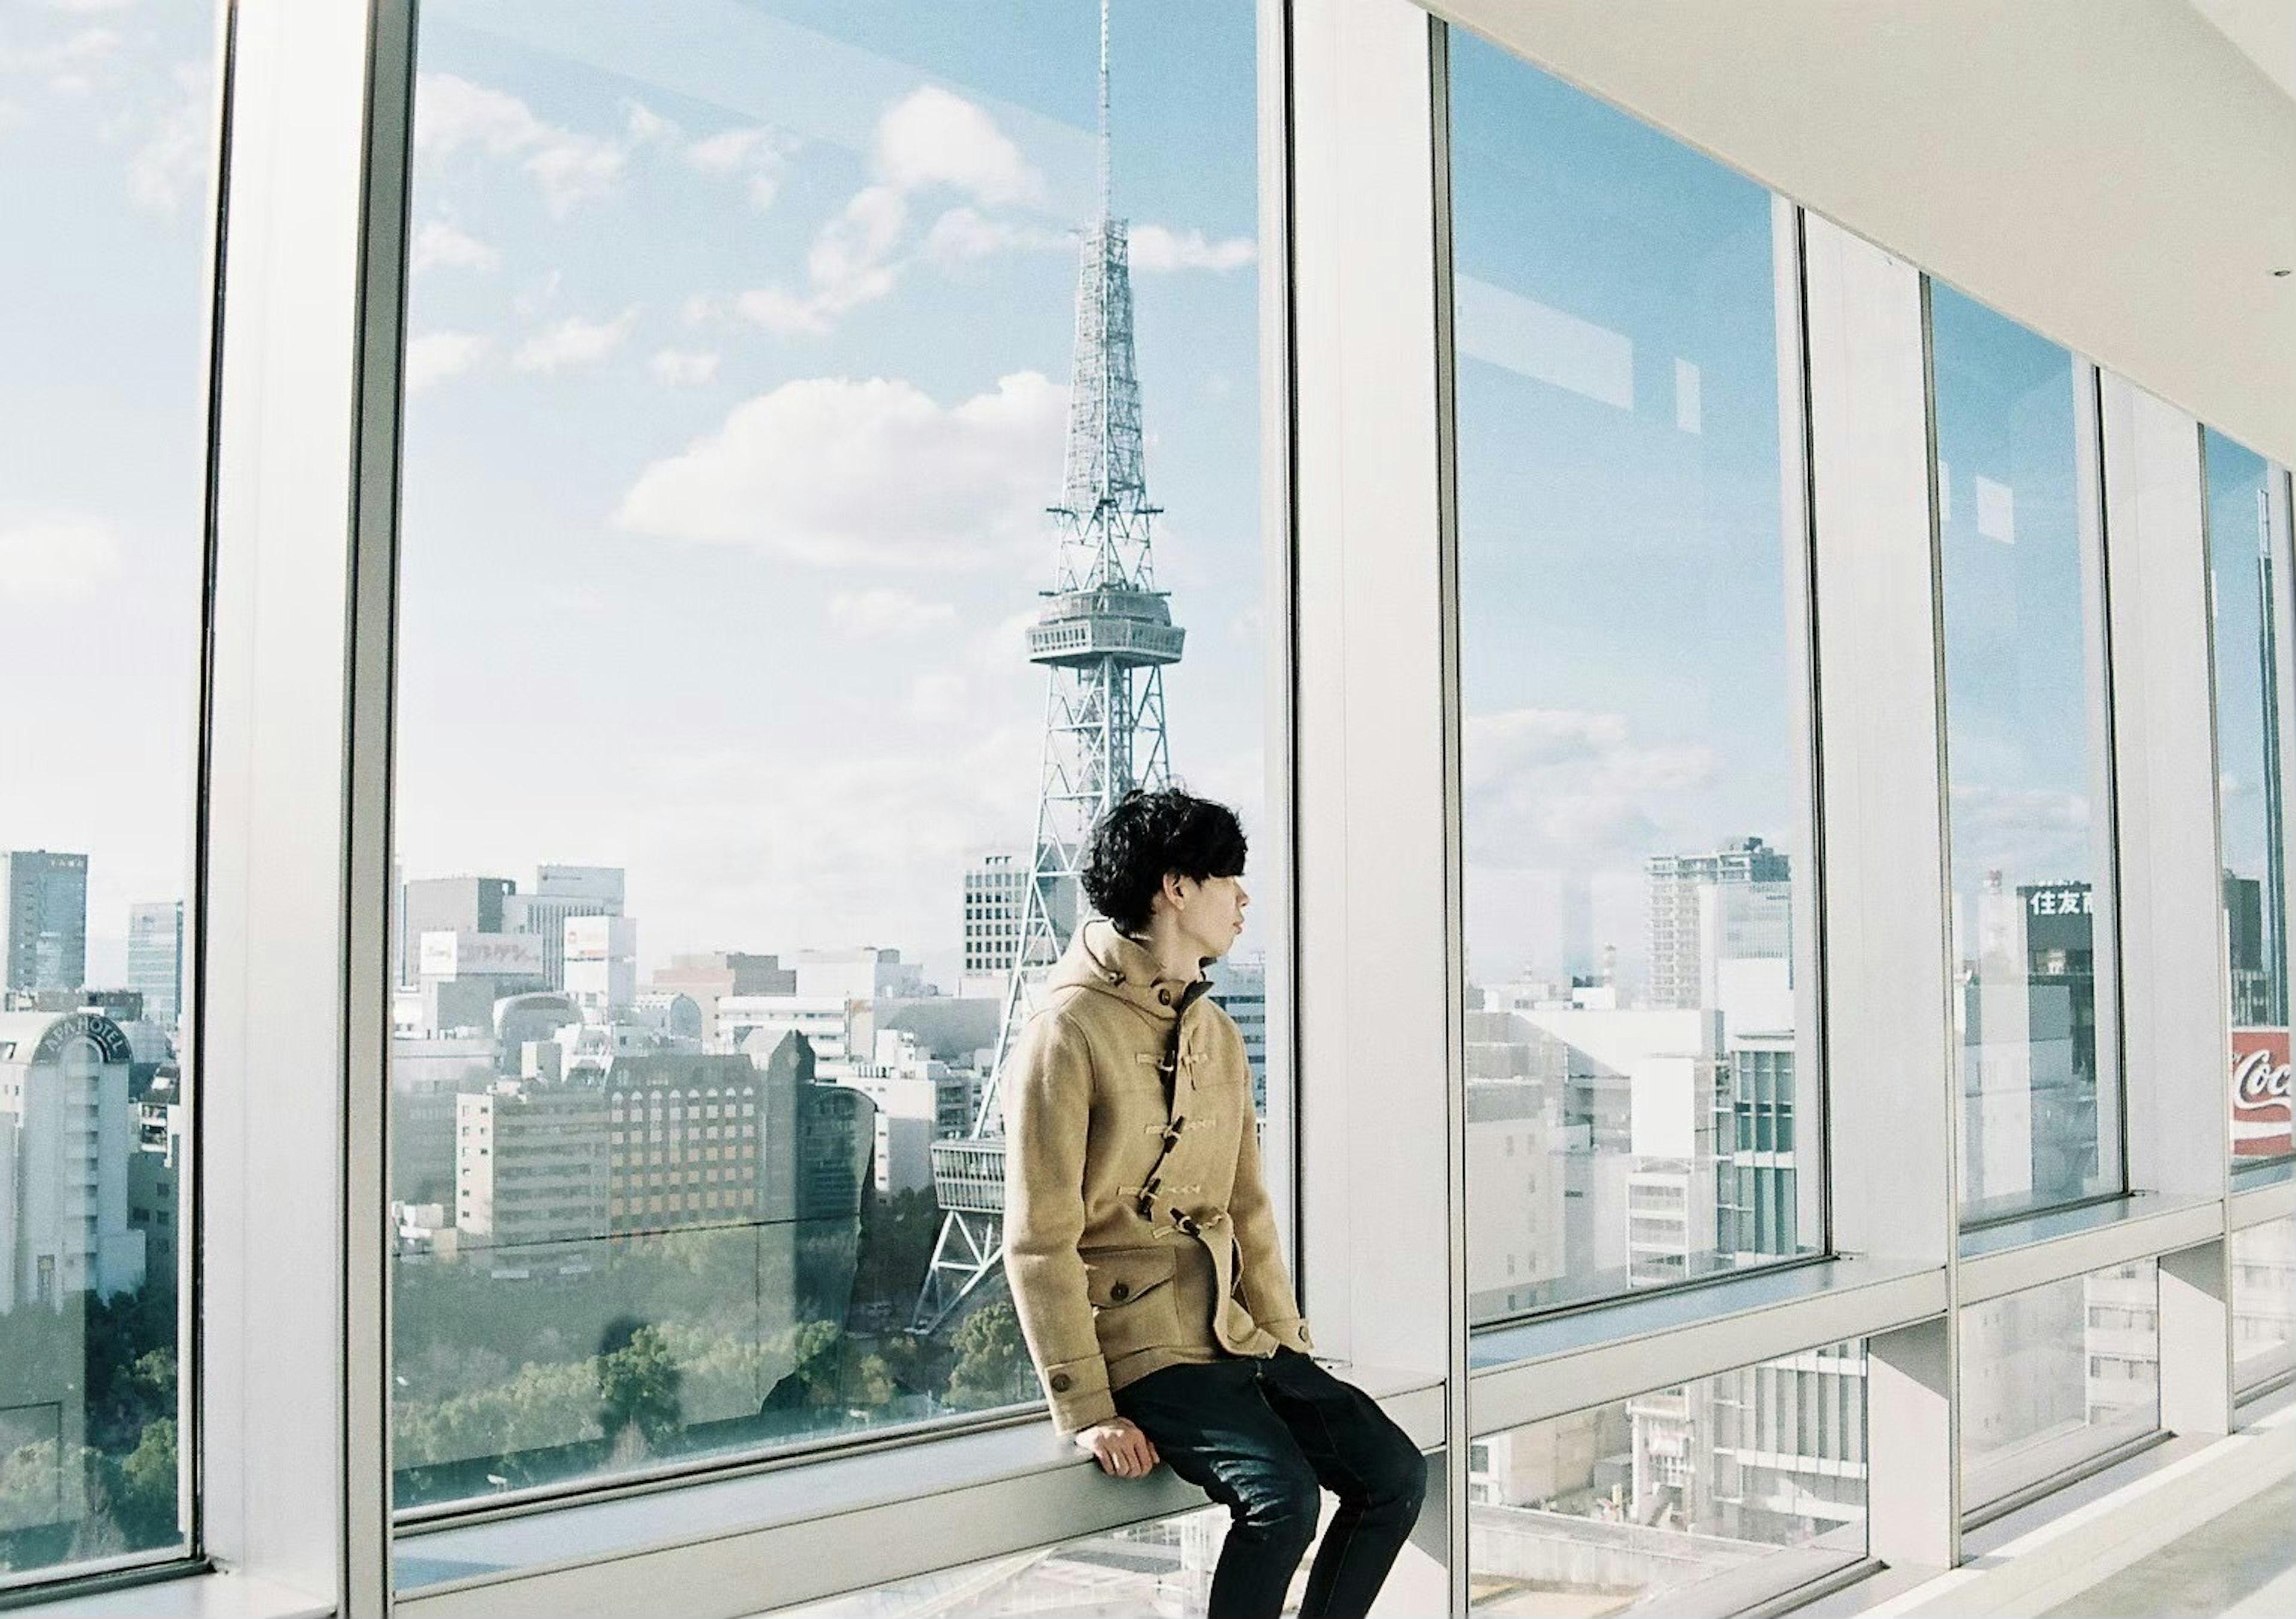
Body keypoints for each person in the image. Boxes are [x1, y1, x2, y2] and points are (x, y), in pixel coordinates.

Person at [1002, 788, 1426, 1619]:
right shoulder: (1068, 1030)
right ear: (1177, 887)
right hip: (1141, 1344)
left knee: (1394, 1475)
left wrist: (1287, 1341)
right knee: (1282, 1503)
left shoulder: (1216, 1035)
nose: (1244, 899)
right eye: (1230, 877)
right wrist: (1088, 1409)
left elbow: (1247, 1208)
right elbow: (1040, 1240)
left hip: (1234, 1338)